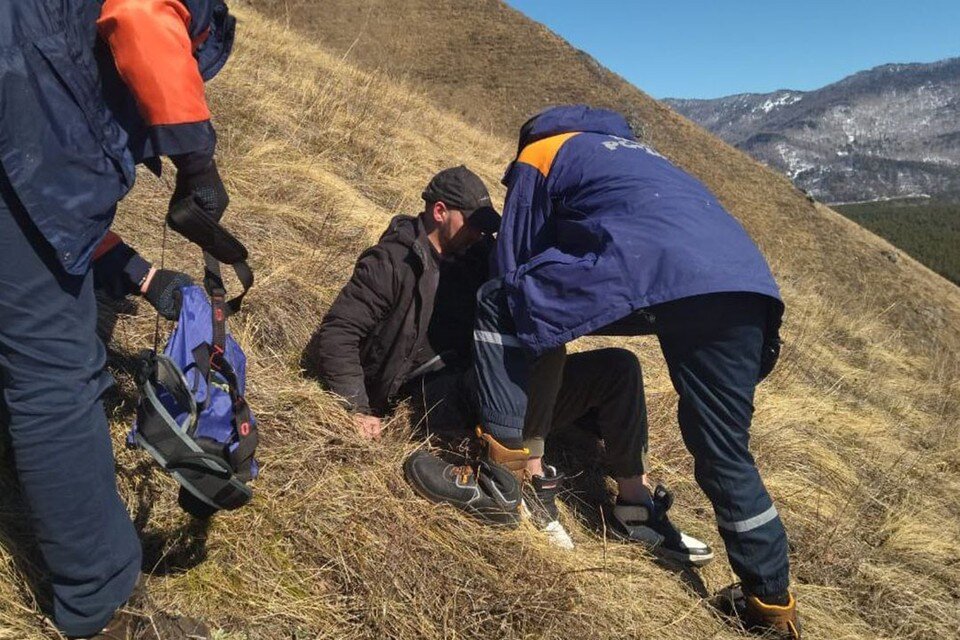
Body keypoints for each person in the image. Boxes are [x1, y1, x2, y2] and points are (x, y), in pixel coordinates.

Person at [410, 106, 800, 638]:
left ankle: (503, 481)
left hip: (659, 268)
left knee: (509, 301)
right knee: (726, 452)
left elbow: (519, 260)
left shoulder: (543, 152)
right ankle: (769, 604)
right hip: (747, 286)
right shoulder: (643, 156)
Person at [305, 166, 713, 563]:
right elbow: (339, 331)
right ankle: (527, 481)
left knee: (618, 367)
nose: (482, 233)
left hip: (493, 380)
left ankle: (634, 504)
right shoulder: (392, 263)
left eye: (487, 226)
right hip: (440, 393)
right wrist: (356, 407)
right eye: (474, 223)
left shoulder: (480, 257)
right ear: (440, 211)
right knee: (545, 354)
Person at [0, 1, 235, 637]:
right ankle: (102, 605)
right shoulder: (49, 98)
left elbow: (33, 223)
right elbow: (139, 13)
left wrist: (143, 276)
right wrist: (195, 158)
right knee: (57, 374)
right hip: (18, 121)